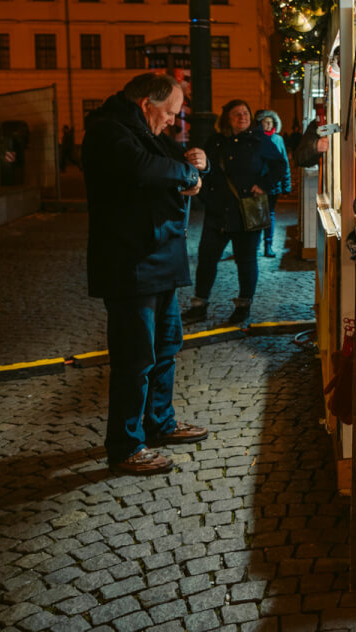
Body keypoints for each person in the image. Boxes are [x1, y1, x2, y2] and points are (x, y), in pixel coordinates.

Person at [81, 73, 209, 476]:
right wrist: (188, 176)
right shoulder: (108, 132)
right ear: (145, 105)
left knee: (166, 347)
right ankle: (125, 445)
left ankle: (159, 423)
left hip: (158, 259)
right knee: (134, 358)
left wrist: (195, 161)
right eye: (170, 113)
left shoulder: (143, 131)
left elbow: (173, 160)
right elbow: (142, 169)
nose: (173, 121)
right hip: (130, 263)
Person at [189, 99, 286, 325]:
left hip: (246, 211)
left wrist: (263, 184)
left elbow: (279, 165)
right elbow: (205, 169)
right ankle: (199, 305)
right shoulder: (216, 141)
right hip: (218, 211)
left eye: (245, 113)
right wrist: (205, 196)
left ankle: (243, 306)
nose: (242, 117)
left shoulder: (259, 139)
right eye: (236, 114)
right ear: (227, 119)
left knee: (246, 260)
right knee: (206, 258)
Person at [254, 109, 292, 258]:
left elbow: (285, 164)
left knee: (269, 215)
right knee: (256, 214)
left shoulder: (278, 139)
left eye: (271, 122)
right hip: (257, 184)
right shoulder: (255, 138)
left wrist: (286, 185)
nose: (268, 125)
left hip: (273, 185)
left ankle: (268, 245)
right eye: (265, 122)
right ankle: (255, 244)